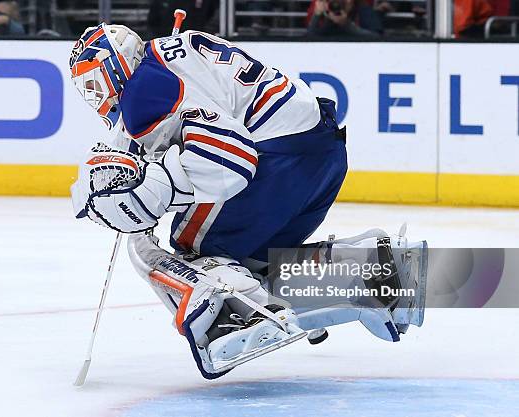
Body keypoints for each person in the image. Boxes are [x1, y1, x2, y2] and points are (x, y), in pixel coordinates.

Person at [68, 24, 427, 378]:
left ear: (118, 63)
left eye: (96, 84)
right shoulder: (170, 55)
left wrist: (152, 191)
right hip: (322, 153)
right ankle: (370, 267)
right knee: (252, 263)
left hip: (274, 160)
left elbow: (232, 159)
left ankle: (235, 317)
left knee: (195, 252)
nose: (99, 99)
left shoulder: (142, 89)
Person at [307, 0, 382, 38]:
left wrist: (347, 25)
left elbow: (377, 38)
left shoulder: (363, 9)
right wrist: (316, 15)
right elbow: (310, 38)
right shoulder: (329, 11)